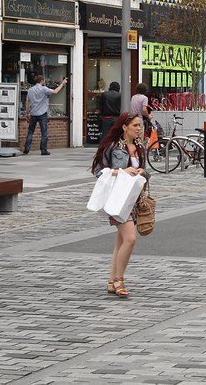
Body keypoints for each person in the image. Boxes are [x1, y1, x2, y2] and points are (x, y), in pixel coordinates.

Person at [91, 112, 147, 297]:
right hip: (117, 199)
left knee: (121, 241)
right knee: (130, 239)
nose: (139, 129)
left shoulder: (139, 146)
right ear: (124, 127)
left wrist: (142, 172)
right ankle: (119, 280)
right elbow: (99, 172)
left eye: (140, 125)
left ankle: (111, 280)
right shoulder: (113, 147)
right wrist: (121, 171)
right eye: (135, 125)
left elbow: (147, 172)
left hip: (132, 198)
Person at [24, 75, 67, 155]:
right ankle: (43, 150)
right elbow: (55, 91)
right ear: (42, 81)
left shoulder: (30, 90)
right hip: (42, 113)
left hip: (33, 113)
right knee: (44, 132)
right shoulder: (44, 89)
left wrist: (27, 113)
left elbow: (27, 102)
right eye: (44, 81)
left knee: (30, 131)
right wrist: (62, 83)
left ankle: (27, 147)